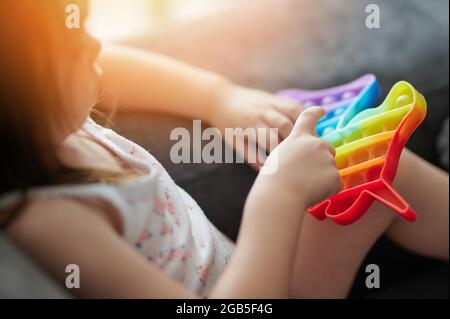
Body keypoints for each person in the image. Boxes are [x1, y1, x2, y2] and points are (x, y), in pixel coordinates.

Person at [0, 0, 447, 298]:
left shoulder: (51, 126)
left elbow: (109, 64)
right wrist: (279, 196)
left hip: (257, 274)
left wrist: (218, 98)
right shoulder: (49, 218)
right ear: (20, 96)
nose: (93, 44)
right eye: (73, 50)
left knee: (372, 158)